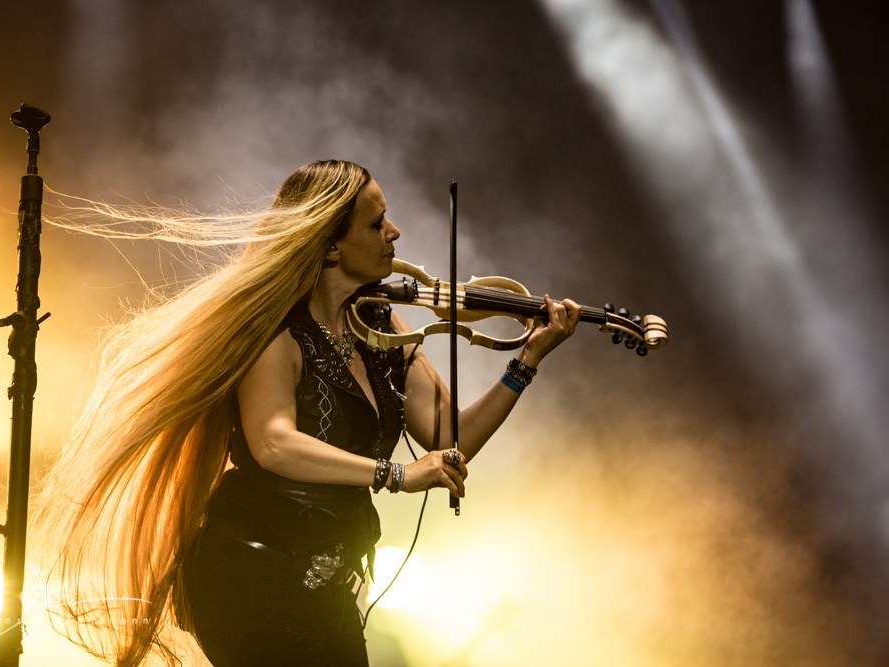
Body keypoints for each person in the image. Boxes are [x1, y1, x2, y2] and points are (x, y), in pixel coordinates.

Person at [34, 160, 581, 667]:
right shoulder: (277, 331)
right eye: (377, 223)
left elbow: (450, 438)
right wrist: (397, 474)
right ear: (332, 246)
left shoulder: (384, 328)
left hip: (329, 584)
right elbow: (273, 442)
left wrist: (527, 360)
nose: (394, 233)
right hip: (249, 572)